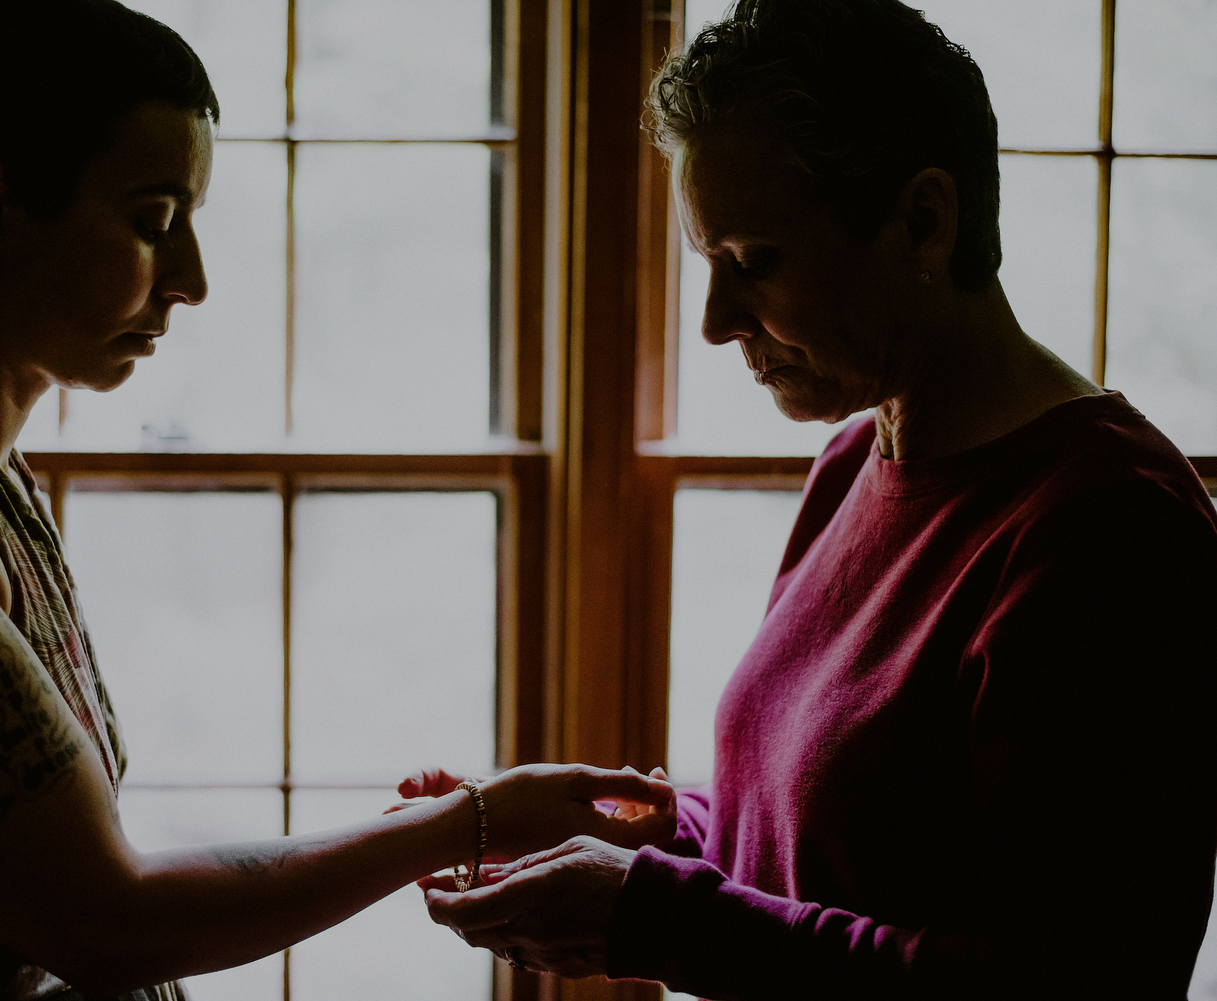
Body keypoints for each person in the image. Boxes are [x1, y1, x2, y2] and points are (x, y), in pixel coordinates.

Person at [0, 2, 676, 999]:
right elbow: (101, 920)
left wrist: (441, 823)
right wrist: (470, 820)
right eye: (153, 222)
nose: (193, 280)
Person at [420, 1, 1217, 998]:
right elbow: (840, 852)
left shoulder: (1108, 534)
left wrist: (657, 914)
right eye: (708, 263)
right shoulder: (854, 458)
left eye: (754, 261)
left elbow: (1076, 980)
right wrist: (654, 833)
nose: (714, 321)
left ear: (923, 219)